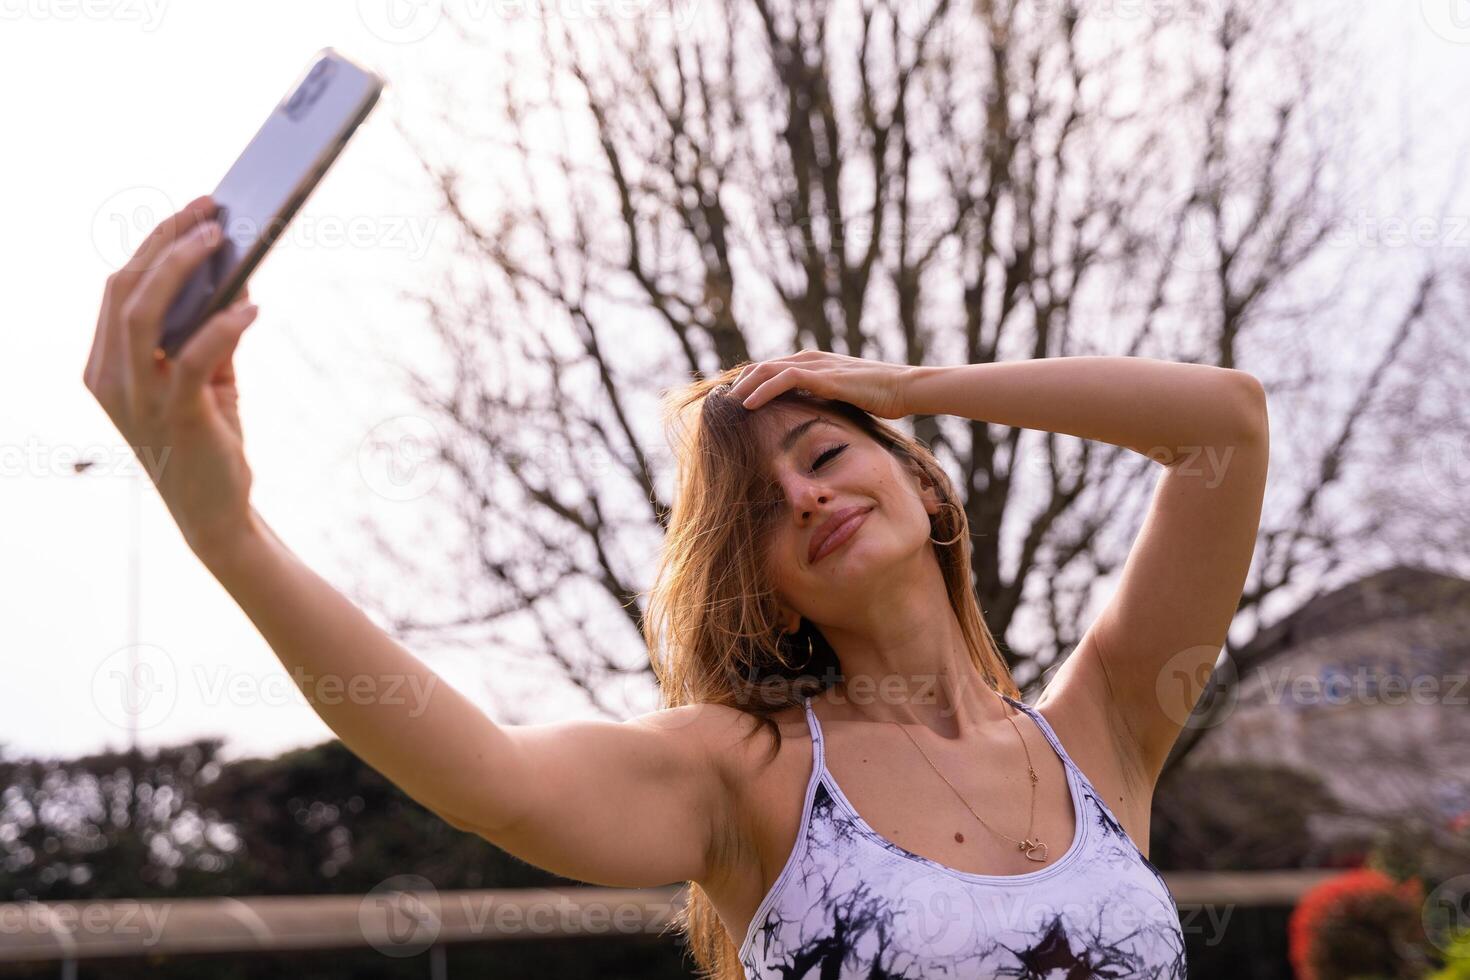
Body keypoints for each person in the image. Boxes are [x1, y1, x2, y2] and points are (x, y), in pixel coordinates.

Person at [84, 196, 1269, 979]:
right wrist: (228, 533)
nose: (803, 494)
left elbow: (1224, 422)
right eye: (761, 509)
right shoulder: (744, 771)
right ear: (764, 589)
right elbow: (484, 774)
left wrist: (914, 384)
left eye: (826, 452)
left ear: (927, 488)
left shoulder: (1103, 730)